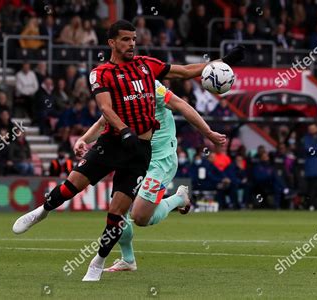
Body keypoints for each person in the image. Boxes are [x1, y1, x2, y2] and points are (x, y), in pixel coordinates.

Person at [12, 20, 244, 282]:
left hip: (140, 151)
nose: (132, 43)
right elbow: (105, 111)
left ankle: (97, 263)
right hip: (113, 143)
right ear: (112, 43)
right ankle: (42, 211)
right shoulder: (101, 73)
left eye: (133, 39)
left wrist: (221, 62)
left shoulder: (148, 66)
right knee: (72, 185)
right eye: (125, 39)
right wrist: (118, 132)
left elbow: (186, 71)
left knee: (117, 214)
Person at [74, 81, 226, 272]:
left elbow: (182, 105)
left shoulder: (152, 87)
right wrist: (83, 139)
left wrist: (208, 132)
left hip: (160, 161)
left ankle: (179, 198)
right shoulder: (117, 89)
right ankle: (128, 260)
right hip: (134, 159)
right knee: (117, 212)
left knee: (139, 217)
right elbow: (103, 121)